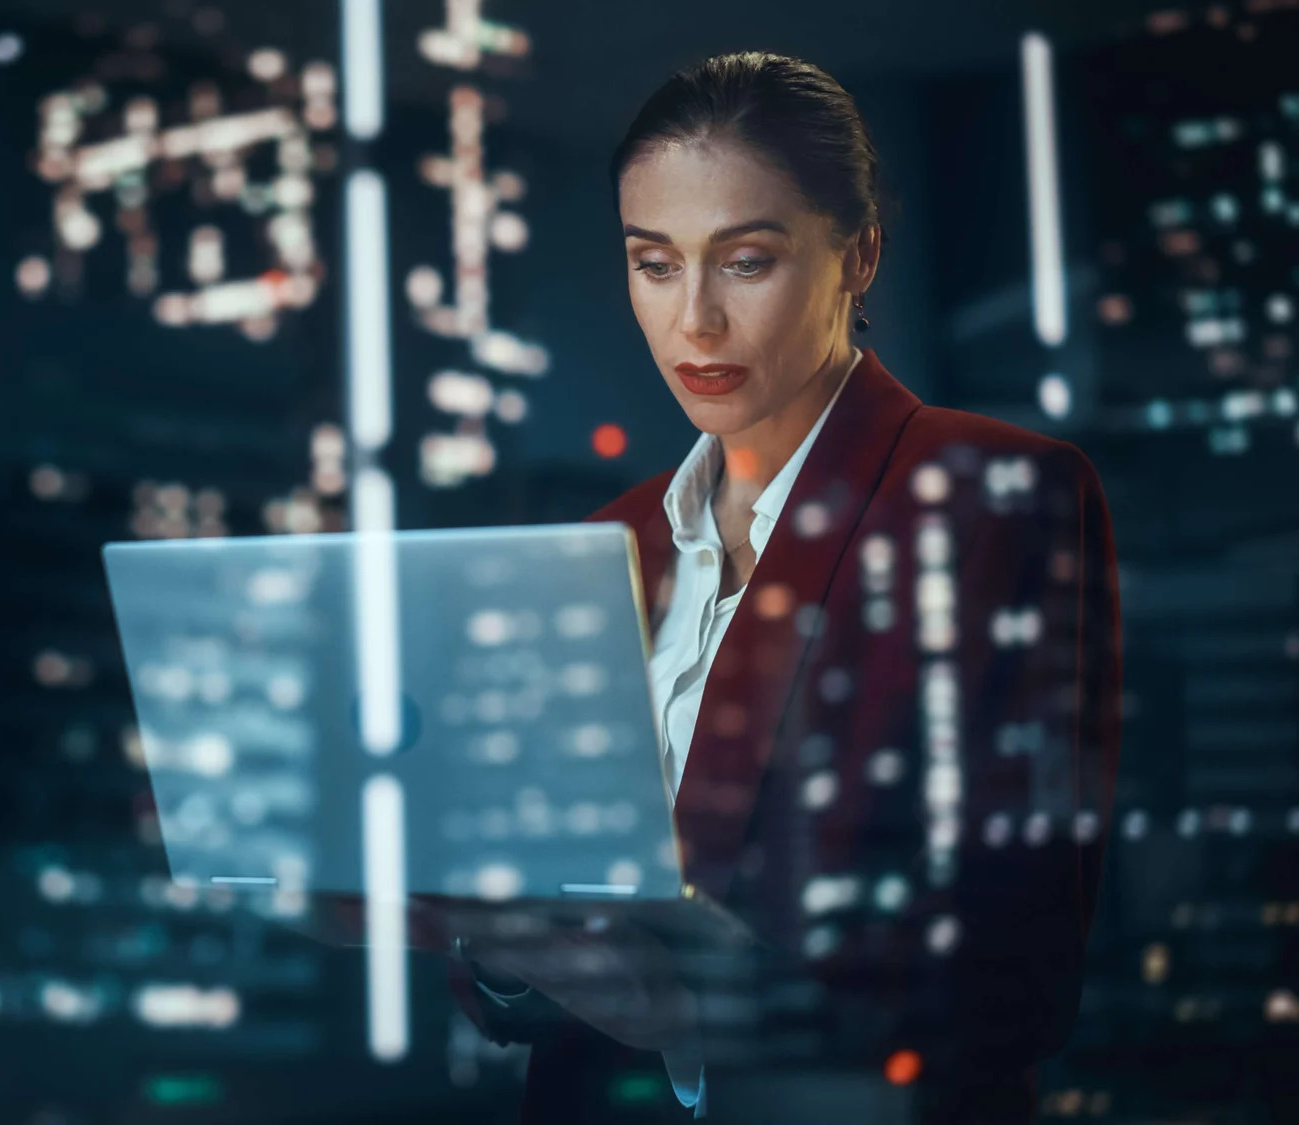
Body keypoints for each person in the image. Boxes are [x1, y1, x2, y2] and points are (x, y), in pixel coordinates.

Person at [434, 52, 1122, 1123]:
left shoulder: (992, 499)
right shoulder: (605, 543)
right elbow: (519, 971)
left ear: (857, 259)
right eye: (653, 264)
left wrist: (702, 1005)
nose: (693, 321)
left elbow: (1015, 973)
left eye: (743, 262)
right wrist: (515, 959)